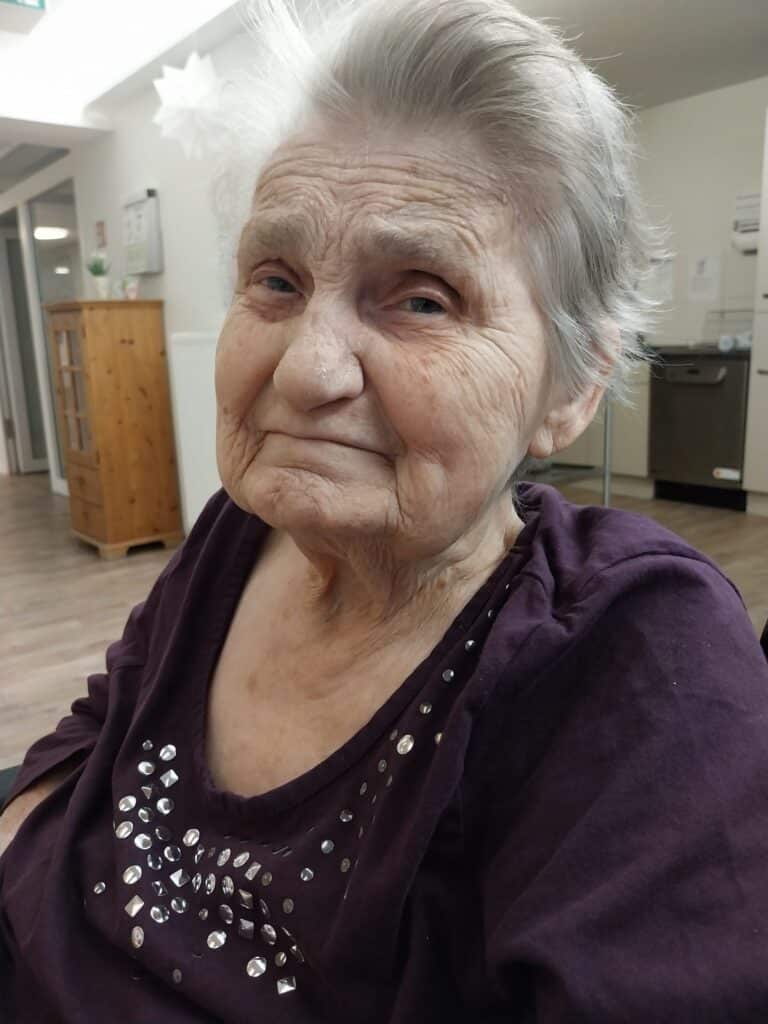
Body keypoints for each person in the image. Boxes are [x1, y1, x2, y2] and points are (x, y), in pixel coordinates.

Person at [2, 0, 768, 1020]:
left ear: (575, 384)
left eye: (422, 298)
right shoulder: (239, 531)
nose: (306, 371)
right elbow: (100, 727)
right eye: (277, 280)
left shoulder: (638, 652)